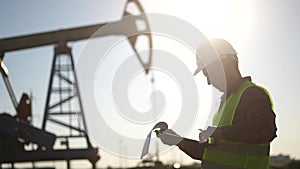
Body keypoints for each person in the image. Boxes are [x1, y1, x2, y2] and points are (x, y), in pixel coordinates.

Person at [158, 38, 277, 169]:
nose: (209, 82)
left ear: (224, 64)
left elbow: (265, 130)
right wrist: (177, 140)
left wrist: (217, 132)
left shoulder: (252, 94)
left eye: (208, 73)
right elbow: (210, 153)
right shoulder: (225, 103)